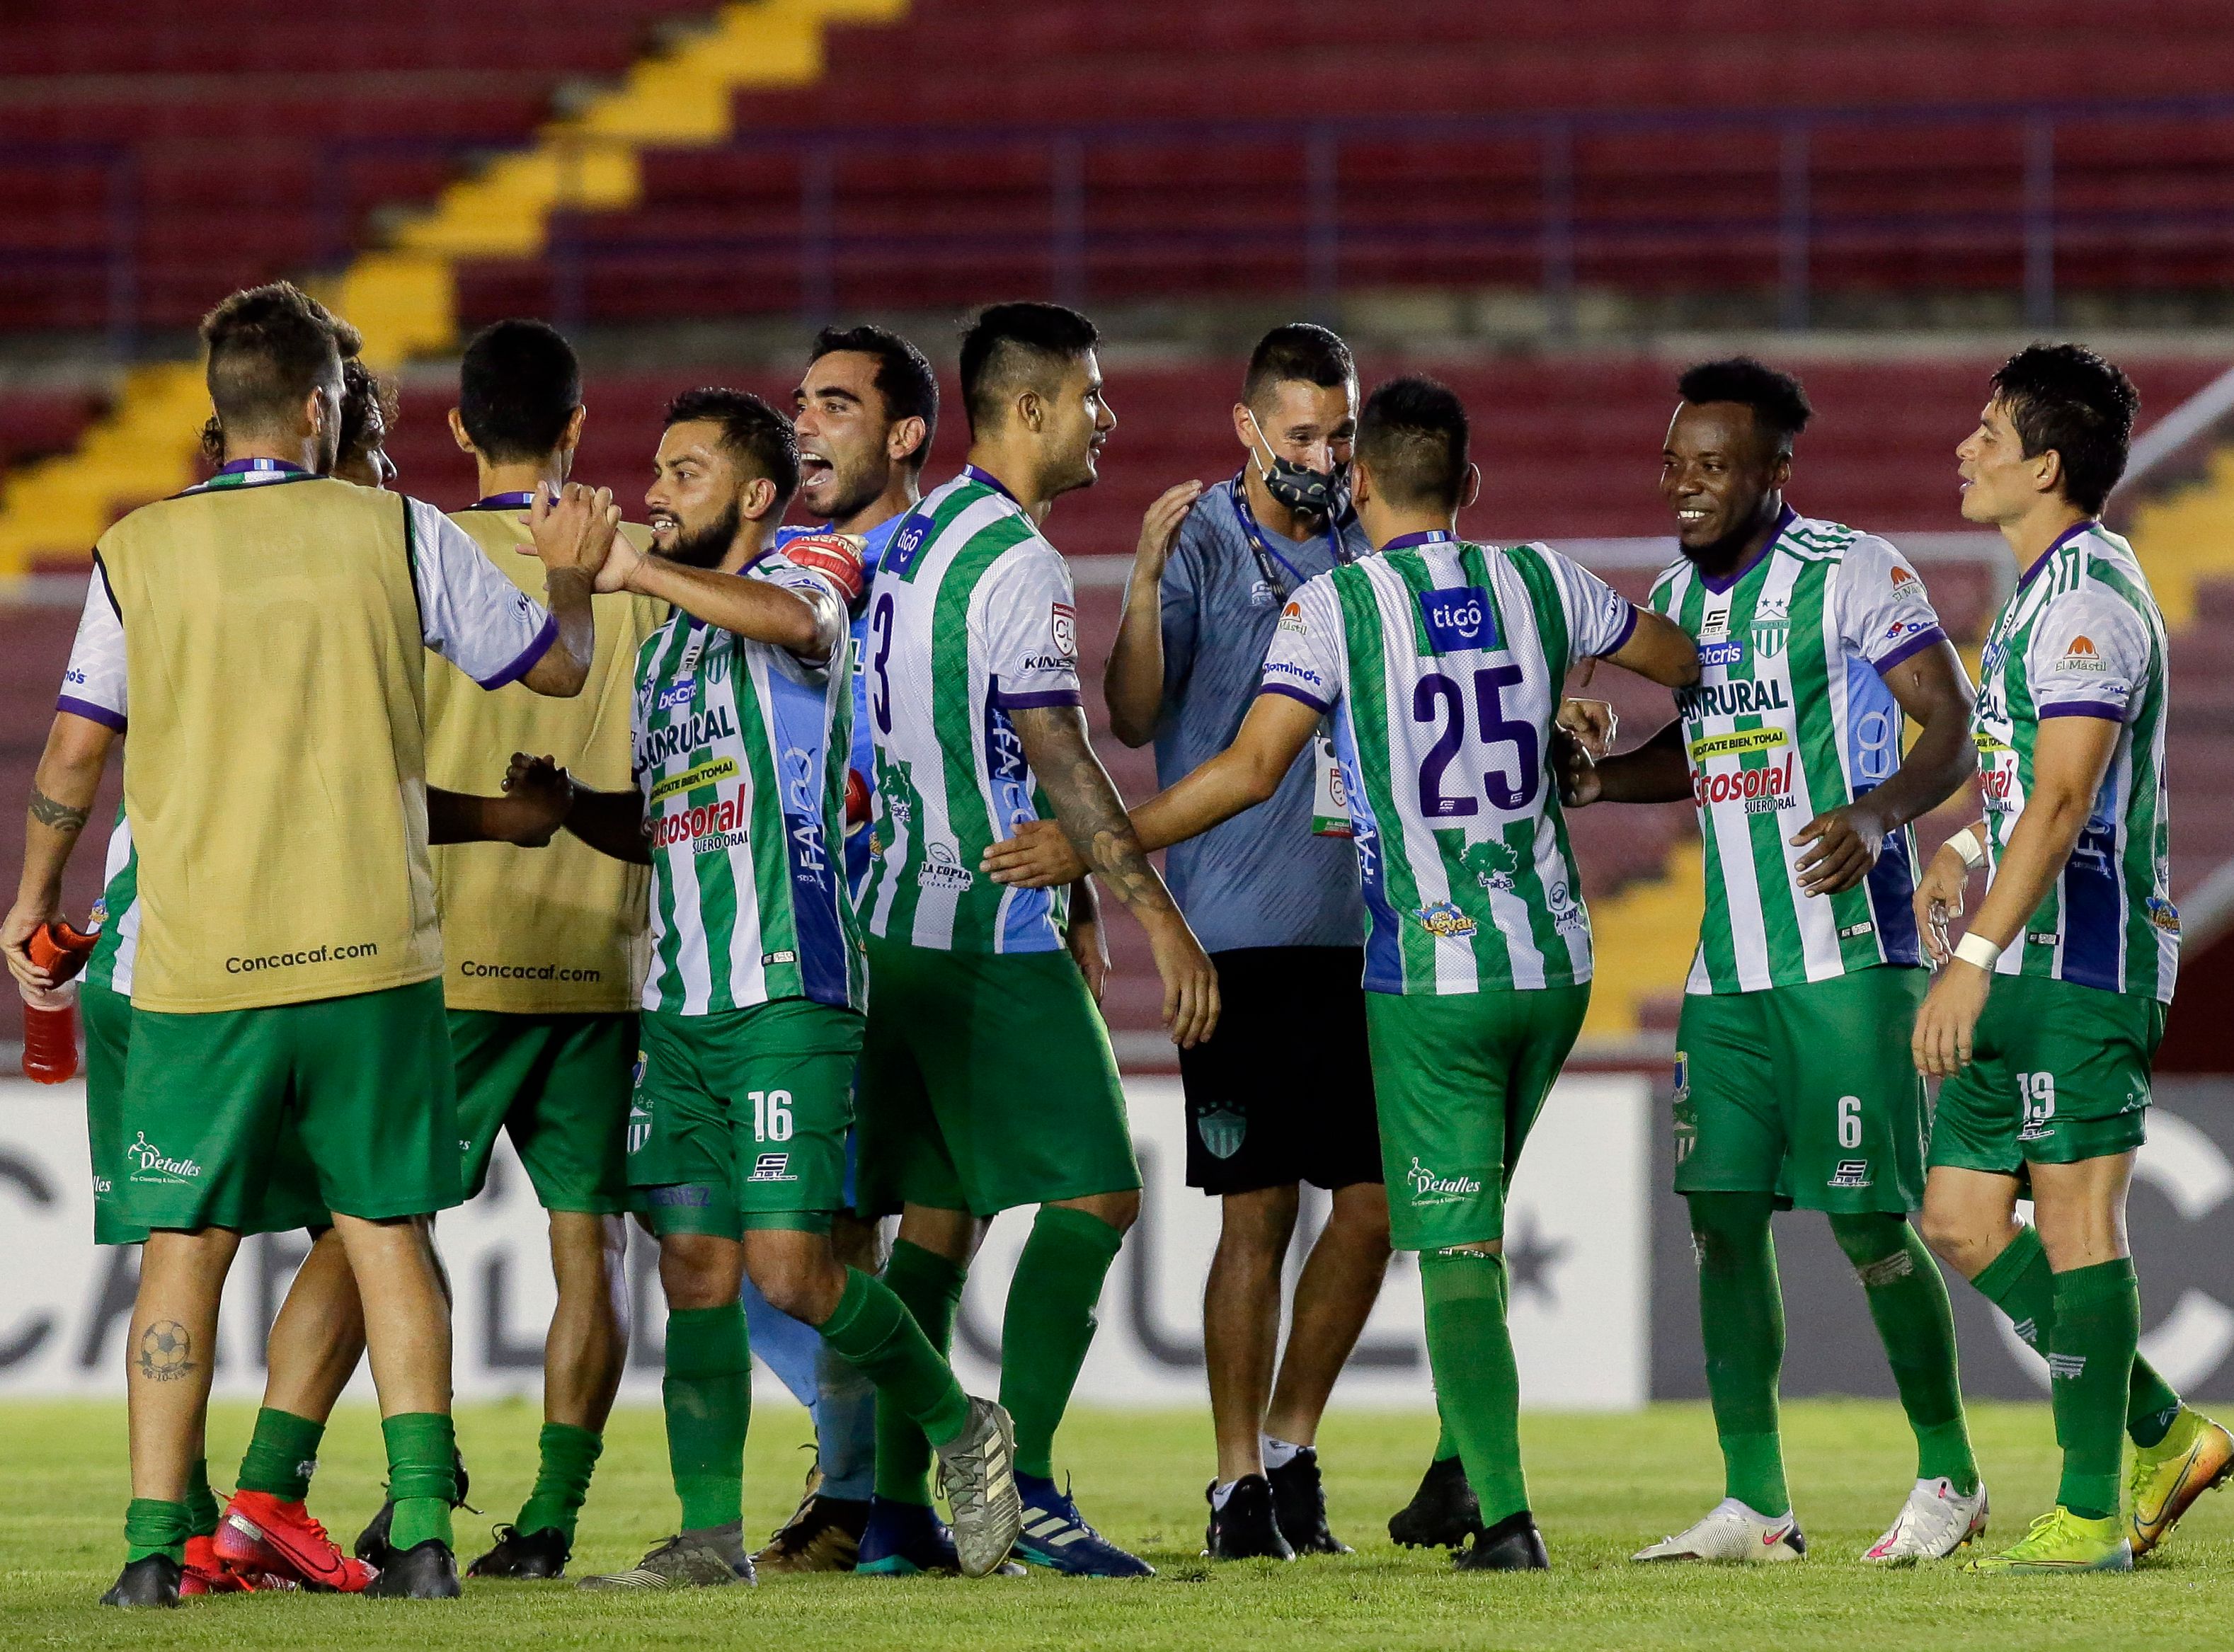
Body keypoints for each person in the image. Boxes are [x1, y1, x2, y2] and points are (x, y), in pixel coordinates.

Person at [987, 373, 1697, 1571]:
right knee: (1386, 1216)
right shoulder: (1542, 578)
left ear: (1361, 477)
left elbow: (1252, 768)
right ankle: (1395, 1469)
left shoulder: (1339, 609)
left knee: (1447, 1237)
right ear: (1468, 486)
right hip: (1555, 963)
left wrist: (1098, 842)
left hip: (1422, 969)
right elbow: (1680, 655)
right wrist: (1577, 718)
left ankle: (1499, 1509)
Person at [48, 280, 614, 1607]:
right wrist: (575, 586)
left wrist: (29, 891)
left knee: (184, 1246)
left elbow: (76, 747)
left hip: (195, 958)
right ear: (321, 405)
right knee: (383, 1232)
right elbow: (556, 669)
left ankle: (152, 1550)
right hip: (370, 949)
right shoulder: (398, 532)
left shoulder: (137, 549)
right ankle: (419, 1529)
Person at [517, 388, 1021, 1590]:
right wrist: (572, 811)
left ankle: (963, 1429)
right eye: (654, 470)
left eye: (684, 473)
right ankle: (709, 1536)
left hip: (791, 989)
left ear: (752, 495)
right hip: (681, 1001)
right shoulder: (668, 648)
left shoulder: (809, 571)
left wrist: (631, 568)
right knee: (694, 1264)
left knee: (793, 1268)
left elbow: (787, 621)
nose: (653, 491)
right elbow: (669, 819)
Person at [1557, 359, 1991, 1565]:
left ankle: (1950, 1472)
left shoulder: (1852, 570)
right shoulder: (1673, 601)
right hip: (1727, 973)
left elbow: (1949, 723)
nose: (1683, 488)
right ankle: (1758, 1502)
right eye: (1674, 463)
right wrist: (1593, 775)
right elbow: (1695, 759)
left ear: (1774, 471)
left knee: (1869, 1223)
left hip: (1849, 955)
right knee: (1720, 1216)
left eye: (1712, 467)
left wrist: (1881, 810)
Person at [851, 301, 1218, 1578]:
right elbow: (1057, 750)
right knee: (1098, 1188)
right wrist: (1154, 916)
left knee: (941, 1217)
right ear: (1029, 409)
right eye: (1092, 395)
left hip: (892, 916)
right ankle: (1037, 1492)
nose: (1106, 417)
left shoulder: (914, 535)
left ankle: (896, 1516)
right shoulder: (1018, 563)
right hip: (978, 927)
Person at [1099, 321, 1457, 1559]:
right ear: (1247, 429)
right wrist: (1143, 584)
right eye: (1301, 432)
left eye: (1339, 431)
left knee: (1369, 1208)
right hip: (1238, 932)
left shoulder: (1374, 541)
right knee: (1255, 1216)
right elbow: (1137, 712)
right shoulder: (1199, 539)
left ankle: (1295, 1446)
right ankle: (1233, 1478)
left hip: (1368, 930)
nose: (1322, 453)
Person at [1913, 343, 2232, 1573]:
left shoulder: (2093, 596)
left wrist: (1974, 954)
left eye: (1990, 431)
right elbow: (2022, 793)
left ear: (2046, 464)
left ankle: (2094, 1511)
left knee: (2084, 1219)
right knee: (1958, 1213)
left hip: (2079, 958)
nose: (1967, 447)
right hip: (2026, 946)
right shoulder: (2038, 592)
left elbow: (2067, 800)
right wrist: (1959, 843)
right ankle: (2161, 1430)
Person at [408, 318, 669, 1580]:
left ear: (455, 428)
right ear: (579, 425)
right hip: (602, 955)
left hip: (444, 949)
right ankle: (554, 1514)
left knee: (388, 1225)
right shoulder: (633, 565)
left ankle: (425, 1471)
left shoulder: (410, 555)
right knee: (592, 1247)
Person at [747, 323, 944, 1574]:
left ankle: (875, 1492)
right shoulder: (770, 567)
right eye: (799, 404)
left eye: (836, 404)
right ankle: (875, 1466)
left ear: (905, 432)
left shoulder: (945, 561)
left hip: (911, 937)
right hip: (786, 946)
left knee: (879, 1224)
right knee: (736, 1233)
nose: (805, 425)